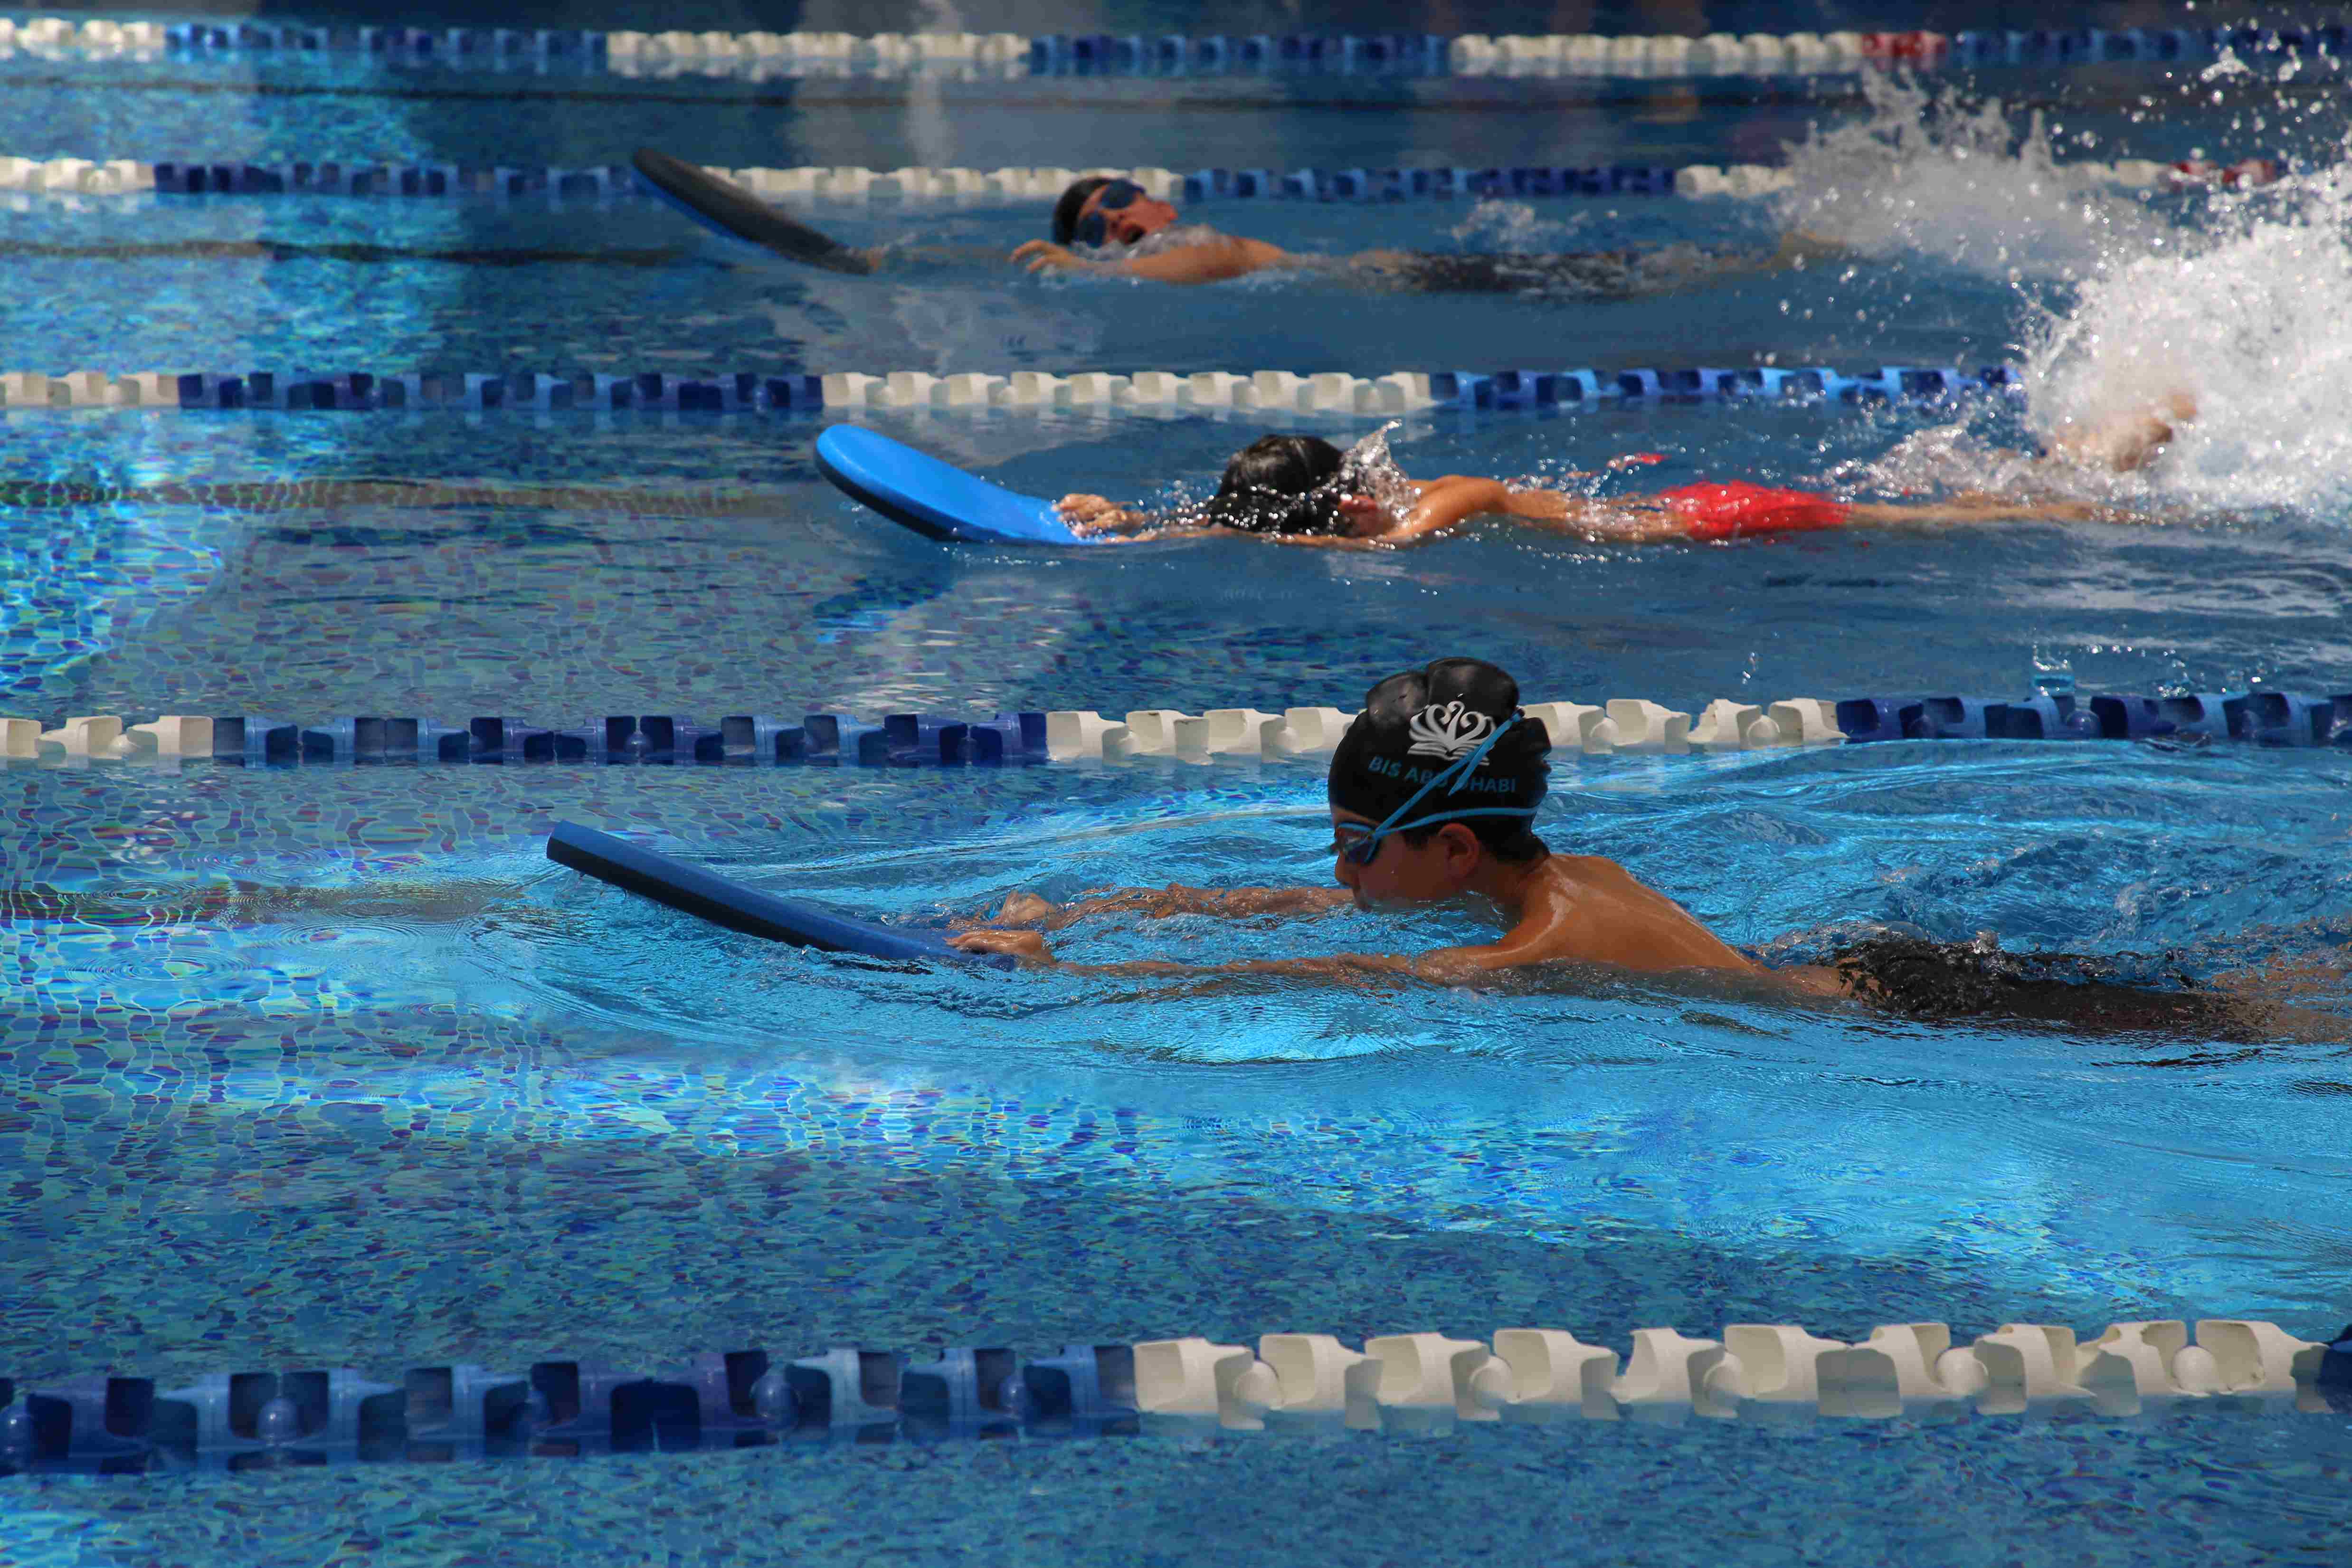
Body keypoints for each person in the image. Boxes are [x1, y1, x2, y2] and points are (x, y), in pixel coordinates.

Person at [947, 657, 2332, 1039]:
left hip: (1932, 1018)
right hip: (1869, 977)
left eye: (1359, 847)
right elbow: (1282, 913)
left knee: (2257, 1023)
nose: (1338, 877)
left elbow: (1330, 980)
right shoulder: (1535, 875)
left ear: (1447, 850)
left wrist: (1071, 986)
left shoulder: (1553, 941)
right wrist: (1097, 902)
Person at [1051, 395, 2198, 547]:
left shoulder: (1427, 505)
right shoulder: (1325, 513)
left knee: (1946, 521)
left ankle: (2102, 477)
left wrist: (1386, 541)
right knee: (1946, 505)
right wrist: (1137, 521)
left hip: (1720, 518)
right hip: (1680, 515)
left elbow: (1481, 501)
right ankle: (2093, 457)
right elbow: (1244, 525)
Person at [1008, 174, 1831, 294]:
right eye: (1095, 228)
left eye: (1117, 200)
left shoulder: (1173, 252)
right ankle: (1763, 261)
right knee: (1597, 279)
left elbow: (1221, 261)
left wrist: (1096, 273)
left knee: (1613, 279)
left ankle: (1770, 262)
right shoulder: (1149, 255)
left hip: (1403, 274)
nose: (1114, 218)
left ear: (1155, 203)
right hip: (1397, 276)